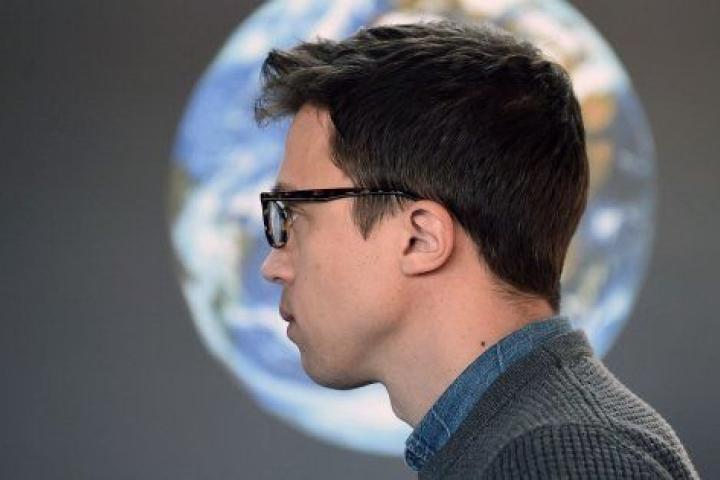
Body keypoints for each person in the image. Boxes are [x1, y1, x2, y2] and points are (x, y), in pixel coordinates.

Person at [254, 19, 698, 479]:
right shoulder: (540, 443)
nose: (273, 265)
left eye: (294, 214)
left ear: (421, 238)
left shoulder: (557, 457)